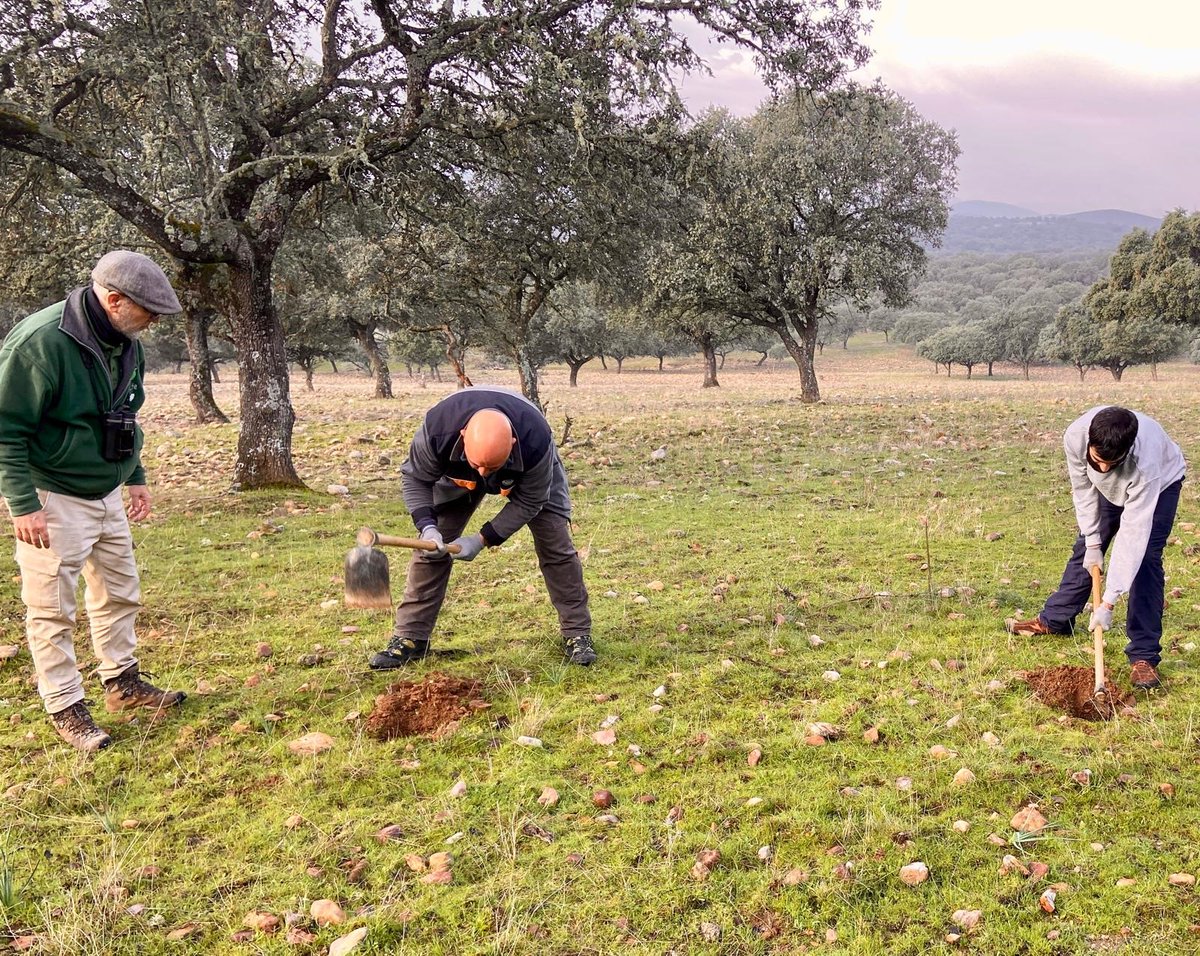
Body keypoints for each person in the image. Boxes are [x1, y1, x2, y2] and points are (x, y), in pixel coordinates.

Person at [0, 250, 187, 752]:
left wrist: (135, 476)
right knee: (52, 608)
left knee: (119, 591)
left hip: (107, 490)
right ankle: (65, 706)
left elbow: (126, 413)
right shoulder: (40, 343)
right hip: (53, 494)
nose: (153, 322)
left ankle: (122, 683)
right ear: (114, 299)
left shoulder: (125, 343)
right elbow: (5, 429)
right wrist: (23, 504)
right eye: (148, 311)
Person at [368, 386, 595, 669]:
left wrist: (483, 539)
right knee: (432, 550)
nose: (483, 474)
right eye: (478, 465)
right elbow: (415, 479)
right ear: (463, 435)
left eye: (490, 467)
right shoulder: (437, 431)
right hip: (456, 474)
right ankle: (410, 638)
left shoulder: (535, 441)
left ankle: (577, 634)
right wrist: (427, 527)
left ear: (513, 442)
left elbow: (531, 500)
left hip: (526, 473)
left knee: (556, 546)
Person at [1006, 405, 1185, 691]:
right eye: (1098, 460)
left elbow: (1134, 533)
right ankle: (1056, 620)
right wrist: (1092, 540)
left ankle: (1143, 655)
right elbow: (1083, 491)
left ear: (1127, 452)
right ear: (1089, 441)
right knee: (1087, 548)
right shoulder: (1075, 437)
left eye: (1111, 463)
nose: (1102, 469)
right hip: (1108, 490)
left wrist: (1108, 602)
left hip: (1160, 486)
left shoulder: (1146, 463)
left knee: (1146, 559)